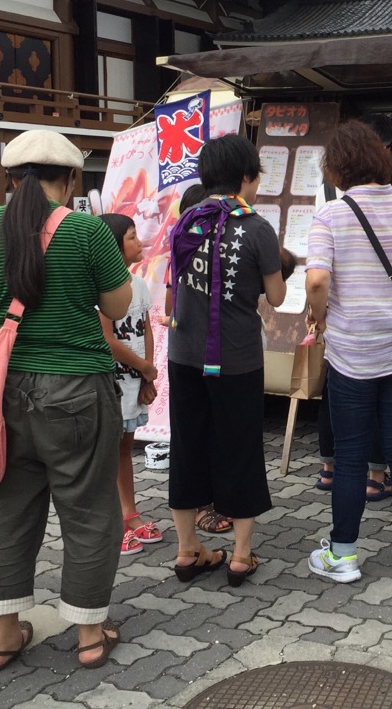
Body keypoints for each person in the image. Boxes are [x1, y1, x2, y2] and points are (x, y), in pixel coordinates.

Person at [0, 129, 132, 671]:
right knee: (90, 509)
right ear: (70, 179)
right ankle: (90, 636)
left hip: (1, 394)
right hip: (77, 389)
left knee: (11, 508)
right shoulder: (88, 231)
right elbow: (116, 305)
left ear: (8, 179)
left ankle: (4, 637)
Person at [305, 120, 392, 582]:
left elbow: (318, 279)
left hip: (350, 355)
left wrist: (319, 315)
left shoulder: (330, 215)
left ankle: (342, 556)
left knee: (351, 453)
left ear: (336, 168)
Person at [169, 134, 286, 588]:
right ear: (243, 178)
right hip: (236, 359)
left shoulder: (186, 222)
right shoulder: (256, 227)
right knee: (239, 447)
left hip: (183, 356)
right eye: (256, 177)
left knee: (188, 446)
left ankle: (186, 550)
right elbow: (275, 296)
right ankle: (240, 556)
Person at [163, 184, 231, 537]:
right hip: (195, 353)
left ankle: (217, 500)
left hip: (211, 352)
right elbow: (169, 304)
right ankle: (204, 506)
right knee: (197, 433)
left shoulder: (227, 242)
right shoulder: (180, 247)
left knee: (213, 431)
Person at [98, 214, 161, 558]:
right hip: (111, 383)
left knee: (124, 450)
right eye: (133, 237)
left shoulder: (138, 284)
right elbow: (107, 340)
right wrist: (144, 367)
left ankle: (129, 514)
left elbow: (146, 328)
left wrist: (146, 377)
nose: (140, 243)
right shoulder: (102, 288)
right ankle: (110, 526)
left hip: (135, 381)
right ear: (113, 244)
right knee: (107, 455)